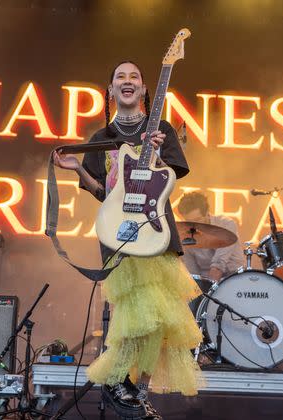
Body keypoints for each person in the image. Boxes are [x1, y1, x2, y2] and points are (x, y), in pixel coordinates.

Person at [53, 61, 202, 419]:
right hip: (120, 235)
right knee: (136, 315)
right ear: (111, 90)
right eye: (120, 76)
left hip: (156, 233)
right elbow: (105, 193)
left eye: (134, 76)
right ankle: (119, 378)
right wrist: (77, 170)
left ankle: (137, 389)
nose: (127, 81)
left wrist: (157, 154)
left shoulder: (161, 130)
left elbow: (169, 181)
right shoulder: (100, 140)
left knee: (164, 320)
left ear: (145, 89)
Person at [177, 192, 243, 281]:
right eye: (189, 221)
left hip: (234, 280)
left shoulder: (226, 224)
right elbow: (192, 274)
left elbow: (219, 264)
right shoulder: (185, 238)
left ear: (207, 212)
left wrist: (209, 291)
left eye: (197, 219)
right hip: (205, 284)